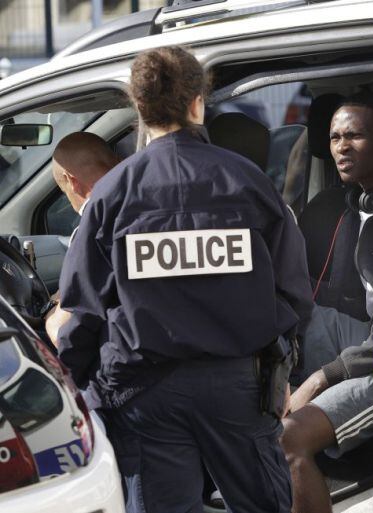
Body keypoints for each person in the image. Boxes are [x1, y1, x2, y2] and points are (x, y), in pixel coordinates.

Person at [57, 46, 313, 513]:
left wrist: (76, 388)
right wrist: (284, 373)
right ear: (198, 102)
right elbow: (294, 292)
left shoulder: (111, 195)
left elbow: (85, 313)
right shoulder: (248, 181)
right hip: (241, 387)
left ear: (139, 108)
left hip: (142, 394)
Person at [281, 91, 373, 513]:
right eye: (334, 137)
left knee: (289, 437)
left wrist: (320, 379)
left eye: (355, 136)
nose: (341, 147)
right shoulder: (342, 207)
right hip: (364, 339)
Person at [45, 132, 119, 346]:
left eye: (64, 191)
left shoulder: (93, 228)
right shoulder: (152, 203)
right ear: (118, 161)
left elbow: (64, 334)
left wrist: (50, 314)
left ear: (71, 180)